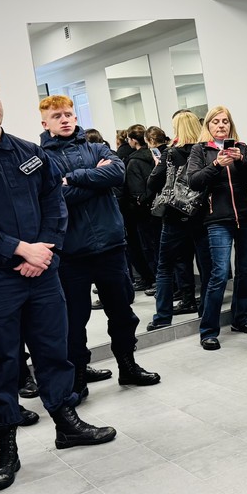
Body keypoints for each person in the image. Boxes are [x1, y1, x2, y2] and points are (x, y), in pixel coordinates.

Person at [0, 71, 116, 493]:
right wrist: (19, 250)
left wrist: (45, 249)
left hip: (43, 271)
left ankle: (67, 423)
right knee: (4, 364)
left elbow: (54, 202)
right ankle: (6, 447)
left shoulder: (30, 152)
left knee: (54, 351)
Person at [40, 97, 160, 392]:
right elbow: (56, 197)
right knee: (74, 321)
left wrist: (73, 178)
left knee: (122, 313)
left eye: (68, 114)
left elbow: (117, 174)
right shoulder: (43, 158)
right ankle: (78, 376)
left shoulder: (97, 148)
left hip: (110, 246)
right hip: (72, 253)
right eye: (57, 116)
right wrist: (97, 182)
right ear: (45, 123)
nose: (65, 119)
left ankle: (128, 366)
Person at [187, 106, 247, 349]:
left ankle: (241, 319)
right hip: (217, 219)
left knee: (244, 270)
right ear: (208, 125)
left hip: (246, 216)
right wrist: (217, 164)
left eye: (225, 121)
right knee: (219, 274)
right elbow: (194, 181)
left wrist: (240, 161)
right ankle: (208, 330)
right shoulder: (200, 150)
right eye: (216, 121)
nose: (221, 125)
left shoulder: (242, 147)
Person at [146, 110, 212, 331]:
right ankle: (206, 313)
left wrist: (158, 165)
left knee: (165, 267)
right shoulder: (205, 151)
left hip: (174, 215)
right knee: (206, 268)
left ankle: (162, 318)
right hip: (201, 215)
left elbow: (152, 183)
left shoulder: (170, 153)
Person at [122, 124, 161, 297]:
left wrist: (139, 201)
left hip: (144, 212)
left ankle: (157, 281)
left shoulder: (133, 162)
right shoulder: (157, 155)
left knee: (149, 248)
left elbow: (137, 192)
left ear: (133, 140)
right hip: (160, 208)